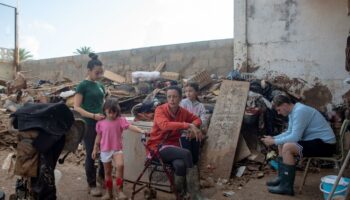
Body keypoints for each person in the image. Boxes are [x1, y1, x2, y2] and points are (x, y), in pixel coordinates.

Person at [261, 95, 336, 196]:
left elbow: (295, 137)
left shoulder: (300, 111)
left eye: (279, 110)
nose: (278, 113)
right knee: (282, 143)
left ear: (285, 105)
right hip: (317, 141)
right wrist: (274, 138)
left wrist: (274, 142)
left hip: (325, 145)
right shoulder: (294, 111)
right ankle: (282, 178)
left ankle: (286, 187)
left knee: (287, 147)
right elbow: (289, 132)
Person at [146, 86, 208, 200]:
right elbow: (165, 125)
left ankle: (181, 195)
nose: (172, 99)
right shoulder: (160, 110)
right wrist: (187, 125)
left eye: (175, 97)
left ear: (180, 98)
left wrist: (193, 125)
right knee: (187, 154)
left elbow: (197, 119)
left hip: (173, 147)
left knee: (180, 165)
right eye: (169, 97)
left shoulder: (182, 112)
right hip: (157, 147)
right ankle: (195, 193)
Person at [92, 98, 146, 200]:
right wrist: (95, 148)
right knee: (107, 173)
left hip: (117, 149)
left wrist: (141, 131)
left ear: (118, 111)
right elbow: (98, 136)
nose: (112, 115)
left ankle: (120, 191)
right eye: (109, 112)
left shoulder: (120, 120)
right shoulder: (101, 123)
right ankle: (109, 193)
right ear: (105, 111)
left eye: (114, 112)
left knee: (120, 166)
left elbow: (130, 126)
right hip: (105, 150)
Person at [74, 53, 106, 197]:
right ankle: (92, 184)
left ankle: (101, 177)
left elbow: (102, 103)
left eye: (101, 72)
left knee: (105, 151)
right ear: (88, 70)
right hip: (88, 124)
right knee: (91, 155)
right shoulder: (83, 85)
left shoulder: (100, 85)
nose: (99, 75)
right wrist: (93, 116)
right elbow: (77, 107)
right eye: (96, 72)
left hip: (102, 123)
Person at [180, 82, 207, 166]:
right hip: (184, 133)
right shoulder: (182, 103)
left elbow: (203, 120)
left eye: (190, 91)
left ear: (196, 92)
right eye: (186, 91)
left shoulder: (200, 106)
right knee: (186, 154)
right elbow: (181, 119)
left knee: (195, 156)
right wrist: (190, 129)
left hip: (196, 134)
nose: (188, 93)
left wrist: (196, 129)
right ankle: (184, 173)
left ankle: (193, 174)